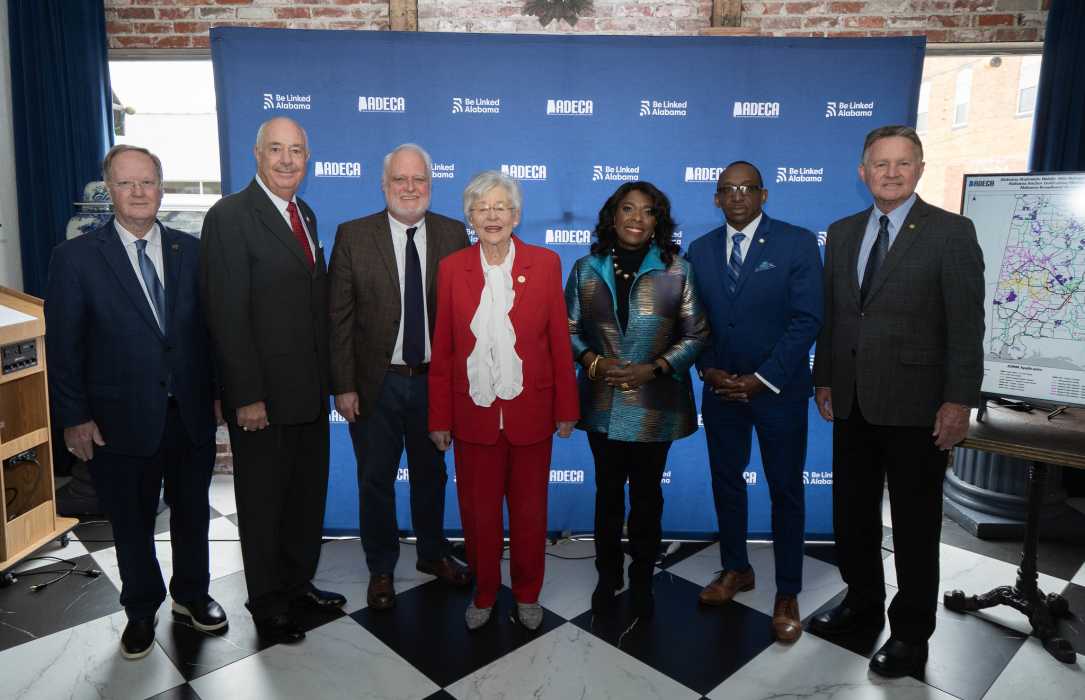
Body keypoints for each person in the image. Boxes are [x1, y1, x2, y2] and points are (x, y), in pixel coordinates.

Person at [810, 125, 984, 677]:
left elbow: (966, 327)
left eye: (902, 163)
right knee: (852, 514)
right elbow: (835, 317)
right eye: (879, 163)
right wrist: (824, 378)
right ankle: (861, 601)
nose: (890, 172)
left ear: (920, 169)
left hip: (918, 406)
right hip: (853, 401)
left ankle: (911, 633)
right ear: (862, 173)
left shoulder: (952, 233)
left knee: (913, 524)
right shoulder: (841, 233)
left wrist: (958, 401)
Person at [46, 144, 226, 659]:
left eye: (147, 181)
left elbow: (207, 335)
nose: (139, 192)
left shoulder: (191, 252)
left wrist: (215, 396)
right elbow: (64, 347)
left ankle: (192, 596)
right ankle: (142, 609)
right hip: (116, 420)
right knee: (131, 520)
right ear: (110, 192)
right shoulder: (75, 258)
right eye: (126, 183)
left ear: (161, 187)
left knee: (193, 514)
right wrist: (75, 418)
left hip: (188, 414)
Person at [200, 116, 344, 645]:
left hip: (308, 392)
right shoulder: (230, 216)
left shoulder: (302, 212)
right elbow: (226, 314)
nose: (288, 160)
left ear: (308, 160)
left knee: (305, 498)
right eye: (277, 150)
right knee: (263, 504)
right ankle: (266, 600)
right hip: (261, 398)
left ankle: (296, 584)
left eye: (297, 152)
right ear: (256, 154)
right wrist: (246, 395)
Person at [428, 170, 578, 631]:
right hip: (472, 414)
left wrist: (567, 407)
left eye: (501, 207)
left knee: (531, 514)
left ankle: (528, 591)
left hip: (531, 412)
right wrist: (439, 415)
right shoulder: (453, 268)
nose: (491, 216)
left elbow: (557, 339)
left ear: (516, 215)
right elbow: (446, 347)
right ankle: (487, 590)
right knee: (479, 515)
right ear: (469, 216)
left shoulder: (546, 263)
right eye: (481, 208)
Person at [328, 144, 472, 611]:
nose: (410, 189)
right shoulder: (353, 235)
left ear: (431, 184)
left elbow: (464, 318)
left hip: (434, 382)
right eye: (400, 180)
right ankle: (381, 568)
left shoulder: (454, 234)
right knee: (375, 479)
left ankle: (433, 554)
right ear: (384, 184)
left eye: (419, 180)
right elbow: (339, 320)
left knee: (432, 475)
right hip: (375, 384)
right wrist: (344, 386)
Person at [686, 161, 823, 642]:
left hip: (778, 392)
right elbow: (692, 322)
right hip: (721, 390)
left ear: (764, 195)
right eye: (728, 189)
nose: (738, 196)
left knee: (785, 490)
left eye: (747, 188)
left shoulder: (797, 242)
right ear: (716, 198)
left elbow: (807, 320)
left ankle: (787, 590)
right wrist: (708, 368)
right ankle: (736, 569)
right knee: (727, 483)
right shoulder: (699, 251)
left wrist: (762, 379)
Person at [565, 181, 708, 619]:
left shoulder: (677, 270)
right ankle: (608, 575)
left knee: (647, 496)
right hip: (602, 403)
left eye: (647, 212)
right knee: (607, 493)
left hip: (656, 405)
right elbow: (568, 331)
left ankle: (643, 575)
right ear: (613, 216)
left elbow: (696, 333)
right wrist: (594, 363)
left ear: (657, 222)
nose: (636, 218)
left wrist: (655, 367)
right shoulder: (586, 269)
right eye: (628, 209)